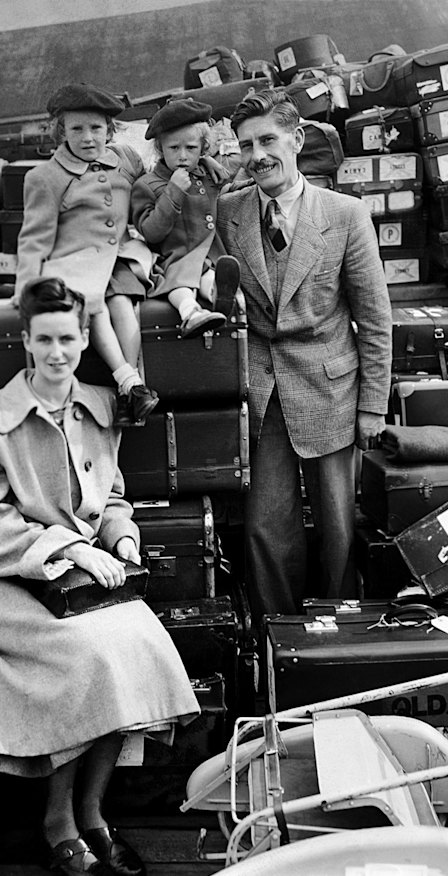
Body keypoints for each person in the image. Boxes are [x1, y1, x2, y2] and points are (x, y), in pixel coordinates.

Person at [0, 277, 200, 875]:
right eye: (45, 340)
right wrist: (73, 550)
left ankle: (92, 809)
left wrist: (122, 537)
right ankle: (57, 818)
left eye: (68, 338)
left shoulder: (97, 404)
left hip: (77, 578)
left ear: (86, 337)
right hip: (3, 579)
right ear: (26, 343)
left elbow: (111, 497)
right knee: (88, 659)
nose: (58, 352)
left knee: (141, 643)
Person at [217, 89, 392, 620]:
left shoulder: (345, 215)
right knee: (267, 529)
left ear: (296, 140)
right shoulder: (229, 212)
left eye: (268, 140)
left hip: (332, 393)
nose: (257, 156)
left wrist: (373, 407)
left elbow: (375, 319)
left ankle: (338, 634)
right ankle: (282, 642)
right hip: (262, 395)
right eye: (246, 145)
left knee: (338, 527)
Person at [15, 82, 159, 427]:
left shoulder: (125, 159)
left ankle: (131, 391)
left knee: (125, 303)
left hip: (121, 255)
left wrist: (206, 165)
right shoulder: (45, 176)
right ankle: (130, 381)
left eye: (96, 128)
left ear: (109, 131)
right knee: (91, 307)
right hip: (73, 261)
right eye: (76, 129)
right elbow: (33, 237)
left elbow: (155, 182)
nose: (88, 138)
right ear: (61, 132)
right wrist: (26, 288)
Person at [131, 98, 237, 338]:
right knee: (180, 284)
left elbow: (227, 190)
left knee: (213, 277)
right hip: (174, 256)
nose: (182, 156)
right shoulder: (148, 185)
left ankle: (219, 300)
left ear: (202, 149)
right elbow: (151, 231)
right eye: (173, 148)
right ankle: (190, 313)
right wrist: (173, 192)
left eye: (191, 148)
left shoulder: (205, 174)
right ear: (160, 148)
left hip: (210, 255)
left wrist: (209, 163)